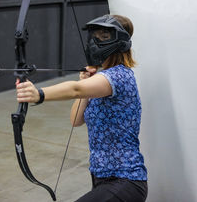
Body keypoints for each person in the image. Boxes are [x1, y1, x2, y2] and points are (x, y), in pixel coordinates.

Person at [16, 14, 148, 202]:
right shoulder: (100, 80)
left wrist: (39, 94)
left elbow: (75, 90)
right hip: (100, 179)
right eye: (94, 36)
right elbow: (76, 119)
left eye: (104, 37)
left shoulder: (120, 76)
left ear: (120, 42)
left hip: (126, 180)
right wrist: (85, 83)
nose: (95, 42)